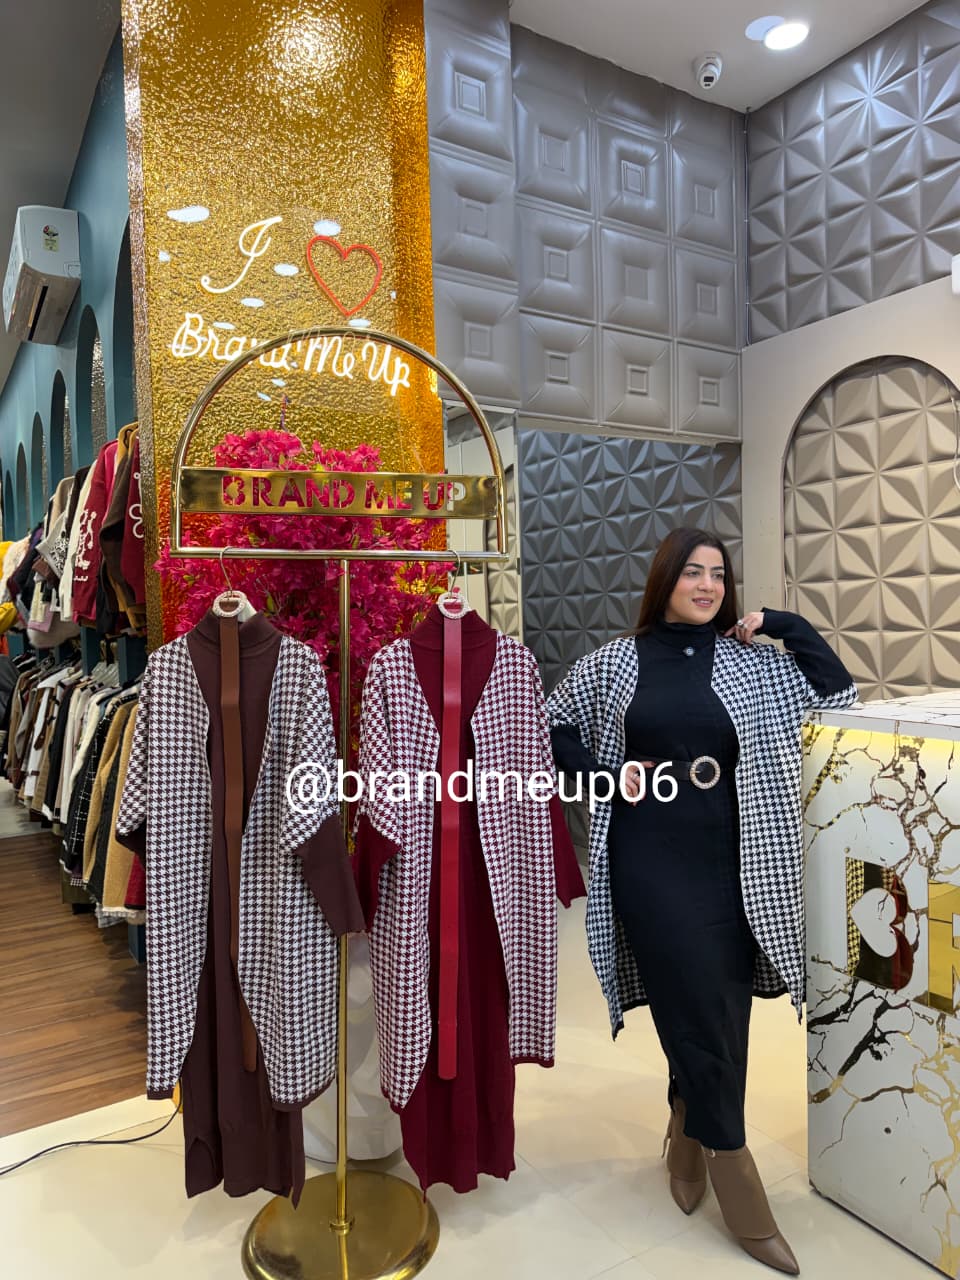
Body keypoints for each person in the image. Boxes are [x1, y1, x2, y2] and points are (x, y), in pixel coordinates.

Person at [546, 527, 857, 1276]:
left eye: (718, 574)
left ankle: (685, 1125)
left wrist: (782, 623)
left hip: (737, 858)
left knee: (721, 1007)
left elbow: (837, 692)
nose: (708, 585)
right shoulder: (618, 660)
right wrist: (599, 776)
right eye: (693, 572)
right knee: (692, 994)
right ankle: (732, 1165)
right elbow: (547, 724)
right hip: (650, 856)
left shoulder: (753, 662)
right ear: (666, 580)